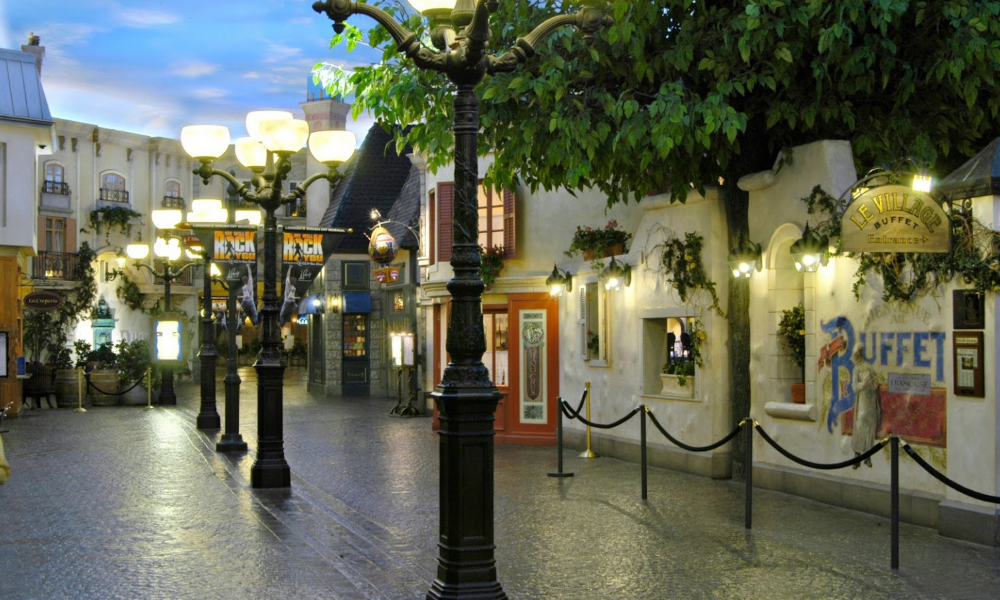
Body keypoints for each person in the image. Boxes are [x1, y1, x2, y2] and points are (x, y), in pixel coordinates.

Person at [851, 343, 881, 468]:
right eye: (856, 354)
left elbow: (875, 385)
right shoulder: (856, 369)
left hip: (870, 402)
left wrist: (875, 383)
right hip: (862, 403)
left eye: (858, 354)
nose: (857, 356)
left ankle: (867, 457)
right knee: (860, 427)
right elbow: (854, 387)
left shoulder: (869, 367)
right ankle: (857, 457)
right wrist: (863, 383)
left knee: (870, 427)